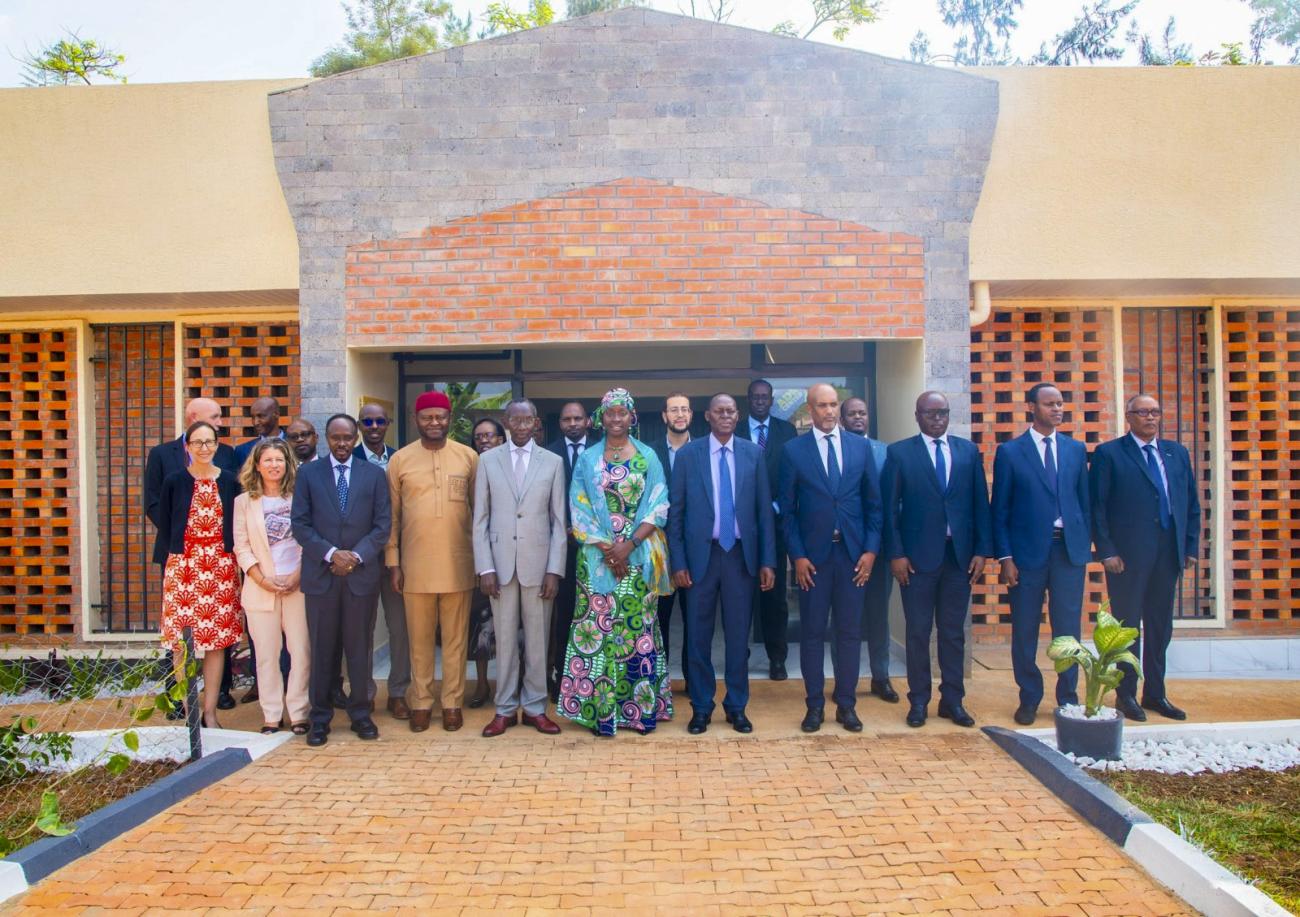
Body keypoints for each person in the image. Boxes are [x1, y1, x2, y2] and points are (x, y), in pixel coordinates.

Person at [557, 388, 673, 736]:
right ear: (601, 418)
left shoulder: (649, 456)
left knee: (637, 632)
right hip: (596, 558)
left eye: (623, 412)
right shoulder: (588, 458)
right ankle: (601, 713)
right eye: (610, 413)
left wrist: (629, 545)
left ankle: (638, 712)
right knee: (599, 629)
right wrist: (609, 549)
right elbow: (577, 505)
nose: (617, 418)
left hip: (638, 558)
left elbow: (659, 504)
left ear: (632, 417)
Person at [667, 393, 775, 735]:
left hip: (740, 558)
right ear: (708, 417)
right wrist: (678, 561)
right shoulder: (688, 456)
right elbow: (677, 514)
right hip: (702, 558)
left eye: (730, 411)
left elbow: (763, 513)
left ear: (737, 415)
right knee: (698, 637)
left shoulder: (753, 454)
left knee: (737, 637)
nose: (725, 416)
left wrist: (767, 561)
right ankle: (701, 707)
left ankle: (736, 706)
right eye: (719, 411)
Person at [883, 392, 992, 729]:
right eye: (929, 413)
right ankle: (918, 702)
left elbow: (980, 504)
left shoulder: (967, 452)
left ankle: (952, 701)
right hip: (916, 561)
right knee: (917, 632)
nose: (936, 418)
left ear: (949, 415)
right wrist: (896, 554)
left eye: (942, 412)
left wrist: (982, 550)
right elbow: (889, 511)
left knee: (952, 633)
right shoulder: (900, 453)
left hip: (959, 559)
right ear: (917, 416)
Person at [779, 383, 882, 734]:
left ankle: (847, 705)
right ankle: (814, 706)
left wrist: (870, 551)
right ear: (810, 409)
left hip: (853, 557)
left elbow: (874, 505)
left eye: (833, 404)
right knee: (811, 634)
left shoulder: (859, 447)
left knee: (850, 633)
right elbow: (788, 513)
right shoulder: (794, 451)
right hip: (814, 562)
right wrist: (798, 556)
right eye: (822, 405)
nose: (829, 411)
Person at [1090, 394, 1200, 722]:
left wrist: (1191, 547)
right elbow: (1097, 507)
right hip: (1126, 557)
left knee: (1159, 625)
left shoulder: (1176, 453)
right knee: (1127, 627)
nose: (1150, 417)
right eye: (1142, 412)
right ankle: (1126, 694)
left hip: (1168, 554)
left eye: (1154, 412)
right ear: (1129, 417)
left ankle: (1156, 693)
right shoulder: (1110, 454)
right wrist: (1107, 550)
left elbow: (1190, 503)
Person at [992, 382, 1092, 726]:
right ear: (1031, 408)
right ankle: (1029, 698)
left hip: (1067, 552)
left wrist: (1085, 542)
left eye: (1060, 403)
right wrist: (1005, 557)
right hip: (1026, 556)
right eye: (1050, 404)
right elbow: (999, 510)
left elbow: (1084, 502)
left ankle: (1068, 697)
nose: (1057, 409)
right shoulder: (1010, 452)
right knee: (1025, 630)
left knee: (1068, 631)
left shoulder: (1076, 450)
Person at [291, 414, 392, 747]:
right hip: (321, 577)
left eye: (348, 437)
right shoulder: (308, 474)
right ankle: (320, 719)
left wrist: (355, 557)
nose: (343, 443)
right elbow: (301, 524)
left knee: (359, 649)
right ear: (327, 439)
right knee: (322, 650)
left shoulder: (374, 475)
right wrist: (332, 554)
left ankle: (361, 715)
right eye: (336, 438)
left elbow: (382, 526)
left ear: (356, 436)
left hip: (361, 577)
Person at [473, 401, 567, 737]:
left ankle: (536, 707)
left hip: (539, 566)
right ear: (506, 422)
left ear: (537, 423)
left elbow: (559, 521)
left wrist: (554, 569)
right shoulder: (487, 460)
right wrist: (484, 567)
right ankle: (504, 709)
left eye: (528, 419)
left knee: (539, 641)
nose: (522, 425)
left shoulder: (553, 462)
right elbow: (480, 519)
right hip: (498, 566)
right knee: (505, 640)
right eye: (516, 419)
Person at [386, 391, 478, 733]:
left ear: (450, 419)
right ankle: (421, 701)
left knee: (456, 640)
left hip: (458, 564)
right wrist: (393, 562)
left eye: (440, 417)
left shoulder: (468, 457)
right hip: (414, 567)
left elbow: (478, 515)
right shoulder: (400, 461)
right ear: (416, 419)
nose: (434, 423)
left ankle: (452, 702)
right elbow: (392, 517)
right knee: (419, 641)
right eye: (428, 417)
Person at [145, 397, 240, 713]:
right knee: (181, 642)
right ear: (187, 444)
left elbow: (236, 519)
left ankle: (211, 711)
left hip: (220, 567)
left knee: (217, 640)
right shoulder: (173, 476)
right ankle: (183, 707)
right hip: (183, 565)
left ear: (216, 445)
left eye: (209, 442)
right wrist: (182, 542)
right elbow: (159, 508)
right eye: (197, 442)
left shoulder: (229, 478)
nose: (204, 447)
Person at [233, 439, 310, 735]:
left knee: (301, 651)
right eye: (268, 460)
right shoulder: (244, 502)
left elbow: (308, 539)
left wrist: (297, 576)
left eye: (279, 460)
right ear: (257, 465)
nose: (274, 465)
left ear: (288, 464)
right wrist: (262, 579)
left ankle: (299, 712)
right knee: (266, 655)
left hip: (297, 586)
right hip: (260, 588)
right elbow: (241, 547)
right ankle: (272, 715)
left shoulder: (300, 497)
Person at [346, 402, 411, 720]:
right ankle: (364, 693)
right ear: (359, 425)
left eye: (380, 420)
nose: (373, 426)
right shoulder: (348, 459)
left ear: (389, 423)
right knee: (363, 629)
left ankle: (398, 692)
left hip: (397, 557)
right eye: (367, 421)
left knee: (400, 628)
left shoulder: (401, 457)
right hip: (361, 558)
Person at [735, 379, 798, 681]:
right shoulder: (734, 430)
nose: (760, 401)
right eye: (755, 397)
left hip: (775, 525)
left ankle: (777, 658)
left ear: (772, 400)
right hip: (740, 527)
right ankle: (740, 655)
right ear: (748, 400)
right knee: (741, 594)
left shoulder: (787, 431)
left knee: (774, 598)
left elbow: (791, 476)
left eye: (764, 397)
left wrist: (776, 506)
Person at [840, 396, 899, 704]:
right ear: (842, 419)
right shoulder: (835, 450)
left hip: (876, 550)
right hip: (842, 551)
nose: (858, 418)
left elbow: (888, 505)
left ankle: (881, 677)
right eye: (852, 414)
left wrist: (877, 548)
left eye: (863, 412)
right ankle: (842, 682)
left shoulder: (885, 452)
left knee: (878, 618)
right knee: (844, 620)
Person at [544, 401, 594, 700]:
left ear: (588, 421)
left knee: (593, 615)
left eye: (578, 418)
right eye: (566, 419)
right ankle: (563, 680)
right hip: (559, 549)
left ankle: (591, 678)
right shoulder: (548, 454)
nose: (573, 423)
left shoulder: (602, 452)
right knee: (563, 617)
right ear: (559, 423)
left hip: (595, 550)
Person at [651, 392, 692, 688]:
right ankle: (659, 684)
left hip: (695, 549)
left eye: (685, 410)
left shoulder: (704, 450)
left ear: (690, 415)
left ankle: (694, 680)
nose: (679, 415)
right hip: (658, 550)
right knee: (658, 619)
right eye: (674, 410)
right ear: (664, 416)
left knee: (695, 620)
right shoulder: (649, 453)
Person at [466, 417, 506, 708]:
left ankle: (511, 682)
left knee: (511, 629)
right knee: (480, 626)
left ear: (501, 439)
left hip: (510, 557)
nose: (484, 441)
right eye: (479, 437)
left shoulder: (509, 466)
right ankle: (481, 684)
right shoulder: (469, 468)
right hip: (476, 558)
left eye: (490, 435)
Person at [233, 396, 284, 470]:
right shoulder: (242, 451)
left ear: (276, 414)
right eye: (253, 417)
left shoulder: (294, 445)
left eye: (261, 416)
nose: (255, 422)